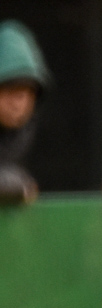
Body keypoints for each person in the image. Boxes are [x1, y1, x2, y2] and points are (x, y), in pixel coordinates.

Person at [0, 20, 50, 205]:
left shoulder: (28, 134)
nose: (18, 103)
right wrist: (9, 183)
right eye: (10, 90)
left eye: (27, 92)